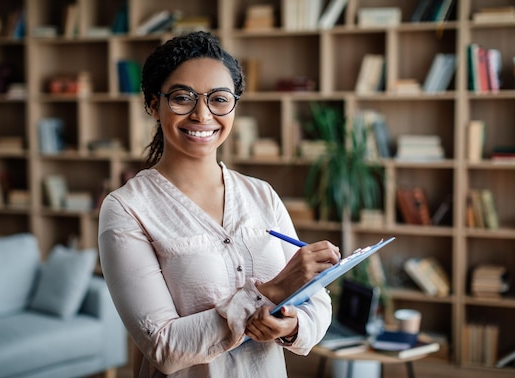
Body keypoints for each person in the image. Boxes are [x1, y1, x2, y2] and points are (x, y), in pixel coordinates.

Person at [98, 31, 341, 377]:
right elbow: (163, 347)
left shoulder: (261, 195)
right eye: (183, 98)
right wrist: (272, 292)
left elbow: (316, 300)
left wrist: (290, 325)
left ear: (234, 106)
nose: (202, 114)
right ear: (154, 104)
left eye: (219, 99)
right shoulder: (126, 209)